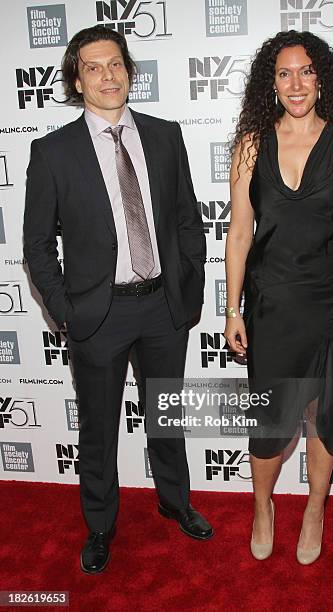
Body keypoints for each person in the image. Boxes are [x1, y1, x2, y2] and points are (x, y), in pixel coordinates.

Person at [24, 25, 213, 575]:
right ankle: (101, 526)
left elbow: (186, 219)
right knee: (99, 427)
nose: (107, 75)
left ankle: (176, 502)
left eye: (115, 64)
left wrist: (189, 288)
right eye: (93, 67)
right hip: (96, 316)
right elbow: (37, 245)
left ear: (128, 71)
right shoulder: (52, 152)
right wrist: (65, 310)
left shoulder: (164, 135)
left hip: (162, 308)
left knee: (167, 417)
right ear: (77, 80)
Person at [224, 30, 333, 565]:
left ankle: (315, 509)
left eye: (307, 71)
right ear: (271, 82)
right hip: (271, 306)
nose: (296, 83)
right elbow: (239, 235)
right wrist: (231, 307)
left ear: (322, 79)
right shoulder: (250, 146)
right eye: (285, 72)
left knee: (325, 418)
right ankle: (263, 506)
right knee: (270, 425)